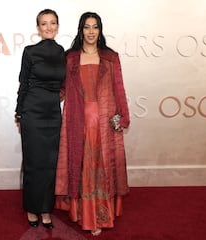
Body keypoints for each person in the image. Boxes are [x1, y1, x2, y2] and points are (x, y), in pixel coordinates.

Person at [55, 12, 130, 236]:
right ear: (81, 30)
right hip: (78, 119)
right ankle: (85, 214)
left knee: (101, 167)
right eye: (86, 27)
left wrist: (123, 116)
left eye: (94, 27)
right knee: (82, 166)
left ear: (100, 30)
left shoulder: (110, 57)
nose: (90, 31)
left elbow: (119, 88)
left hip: (104, 120)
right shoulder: (70, 58)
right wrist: (35, 104)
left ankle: (99, 214)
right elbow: (60, 89)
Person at [14, 9, 66, 229]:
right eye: (44, 24)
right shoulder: (30, 51)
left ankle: (46, 209)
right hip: (32, 112)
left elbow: (66, 84)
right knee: (34, 163)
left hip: (53, 113)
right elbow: (23, 83)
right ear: (38, 28)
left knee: (50, 163)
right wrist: (19, 112)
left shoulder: (63, 52)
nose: (48, 27)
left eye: (52, 23)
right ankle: (32, 209)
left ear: (57, 26)